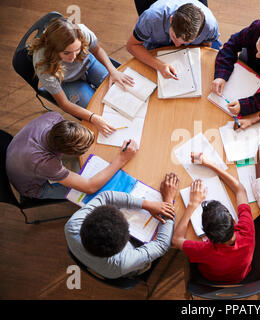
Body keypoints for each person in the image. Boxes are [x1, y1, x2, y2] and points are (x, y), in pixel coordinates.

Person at [29, 17, 134, 136]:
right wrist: (93, 118)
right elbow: (64, 104)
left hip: (90, 64)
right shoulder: (43, 65)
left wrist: (112, 70)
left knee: (117, 91)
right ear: (54, 50)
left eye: (77, 49)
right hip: (68, 81)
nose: (73, 57)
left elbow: (97, 49)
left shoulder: (82, 32)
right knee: (96, 111)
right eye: (66, 53)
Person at [65, 173, 179, 279]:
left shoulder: (73, 225)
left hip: (96, 261)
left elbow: (106, 196)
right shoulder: (123, 262)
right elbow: (162, 245)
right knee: (147, 259)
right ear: (127, 240)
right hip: (126, 270)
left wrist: (146, 204)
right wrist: (168, 201)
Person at [6, 112, 137, 200]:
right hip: (33, 186)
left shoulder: (54, 117)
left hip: (18, 153)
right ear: (66, 153)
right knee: (97, 194)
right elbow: (90, 187)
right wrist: (122, 159)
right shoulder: (46, 163)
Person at [172, 152, 255, 284]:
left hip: (209, 278)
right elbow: (240, 190)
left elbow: (176, 240)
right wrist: (210, 164)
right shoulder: (247, 231)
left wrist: (192, 204)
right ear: (232, 221)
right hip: (241, 276)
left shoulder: (204, 250)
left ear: (207, 236)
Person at [126, 0, 220, 79]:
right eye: (174, 37)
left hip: (191, 49)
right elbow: (131, 46)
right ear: (171, 20)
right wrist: (159, 66)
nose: (177, 45)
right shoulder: (151, 18)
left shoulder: (210, 26)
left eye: (185, 42)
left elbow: (206, 46)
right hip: (156, 45)